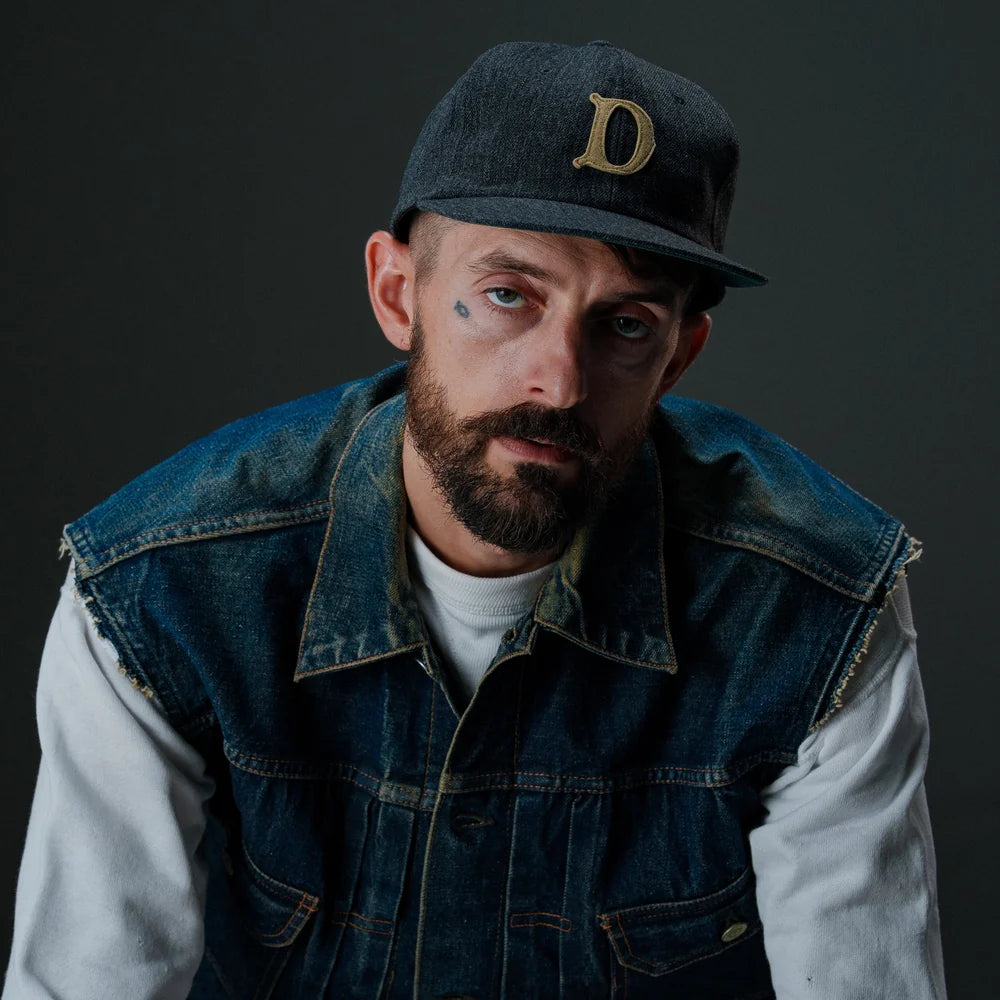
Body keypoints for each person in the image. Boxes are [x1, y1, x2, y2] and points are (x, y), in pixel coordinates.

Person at [3, 40, 945, 999]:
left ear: (677, 356)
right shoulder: (161, 590)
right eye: (507, 297)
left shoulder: (815, 608)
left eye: (625, 325)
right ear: (397, 294)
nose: (559, 381)